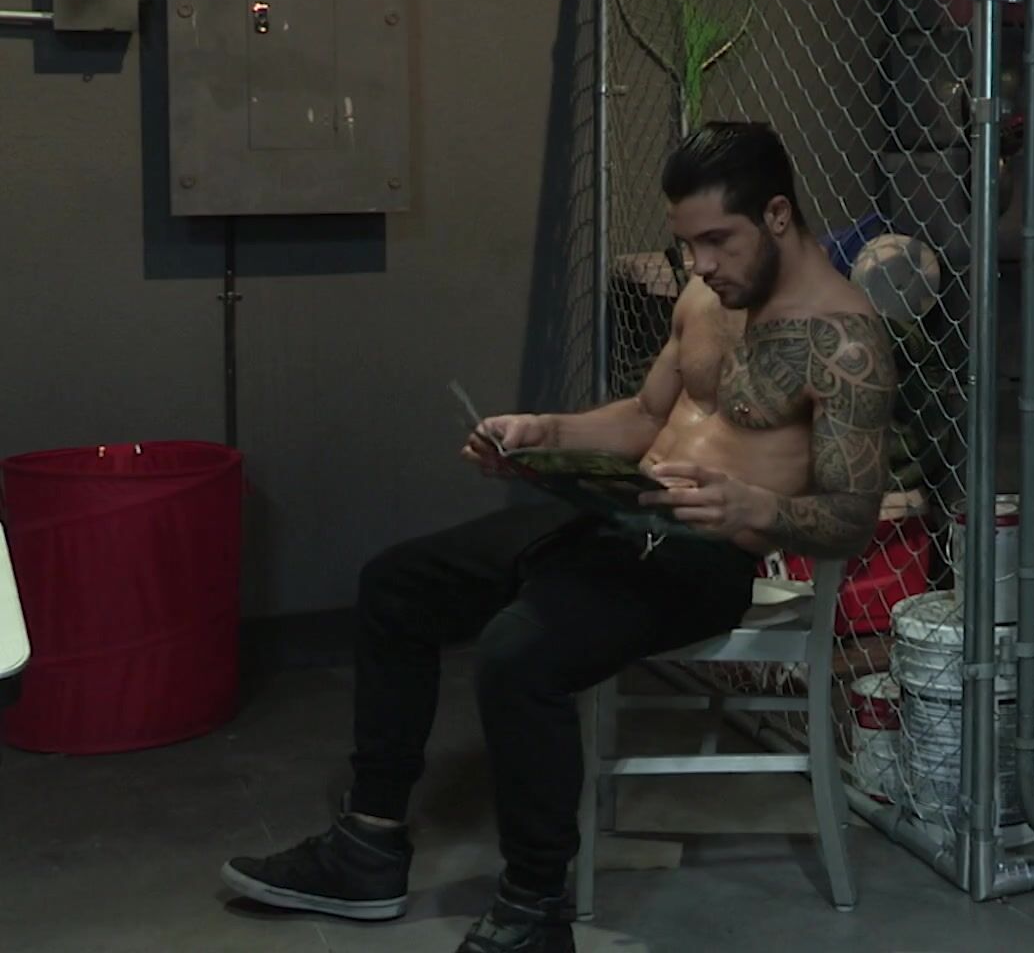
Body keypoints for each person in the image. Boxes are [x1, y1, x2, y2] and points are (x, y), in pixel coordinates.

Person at [219, 122, 897, 953]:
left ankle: (534, 913)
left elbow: (851, 517)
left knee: (518, 654)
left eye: (718, 240)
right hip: (617, 516)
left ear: (779, 216)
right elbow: (646, 416)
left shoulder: (844, 340)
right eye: (688, 244)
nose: (700, 264)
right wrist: (543, 433)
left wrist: (751, 507)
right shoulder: (706, 297)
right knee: (396, 583)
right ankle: (368, 846)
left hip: (707, 555)